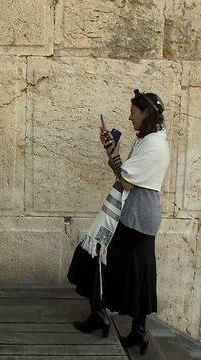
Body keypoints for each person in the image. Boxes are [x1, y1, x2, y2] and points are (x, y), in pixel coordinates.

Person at [68, 90, 170, 355]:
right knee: (139, 273)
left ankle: (99, 315)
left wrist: (113, 154)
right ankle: (138, 332)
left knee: (94, 255)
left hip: (135, 217)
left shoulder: (153, 145)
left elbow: (125, 181)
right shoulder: (151, 140)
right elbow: (127, 175)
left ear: (146, 113)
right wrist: (111, 150)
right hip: (141, 215)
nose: (129, 117)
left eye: (133, 112)